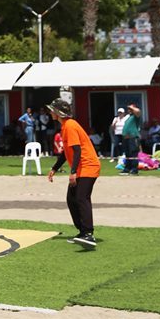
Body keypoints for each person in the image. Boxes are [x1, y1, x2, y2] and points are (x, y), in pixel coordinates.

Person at [46, 98, 101, 249]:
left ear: (58, 112)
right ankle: (82, 232)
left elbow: (76, 150)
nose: (50, 112)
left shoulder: (70, 125)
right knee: (71, 199)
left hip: (88, 166)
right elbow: (66, 152)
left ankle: (88, 234)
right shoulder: (65, 126)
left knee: (81, 198)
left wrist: (73, 172)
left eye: (52, 110)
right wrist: (55, 168)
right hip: (82, 167)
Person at [120, 103, 141, 175]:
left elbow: (138, 111)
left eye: (131, 109)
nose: (129, 110)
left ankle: (134, 169)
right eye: (128, 109)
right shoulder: (128, 117)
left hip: (133, 138)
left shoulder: (136, 116)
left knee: (133, 154)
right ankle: (127, 169)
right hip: (126, 139)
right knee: (127, 154)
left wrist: (131, 107)